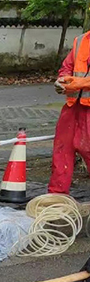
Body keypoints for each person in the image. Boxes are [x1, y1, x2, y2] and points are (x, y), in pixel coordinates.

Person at [49, 28, 90, 195]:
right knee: (62, 152)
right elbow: (68, 66)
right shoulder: (81, 40)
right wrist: (62, 80)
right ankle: (56, 198)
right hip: (74, 107)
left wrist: (80, 83)